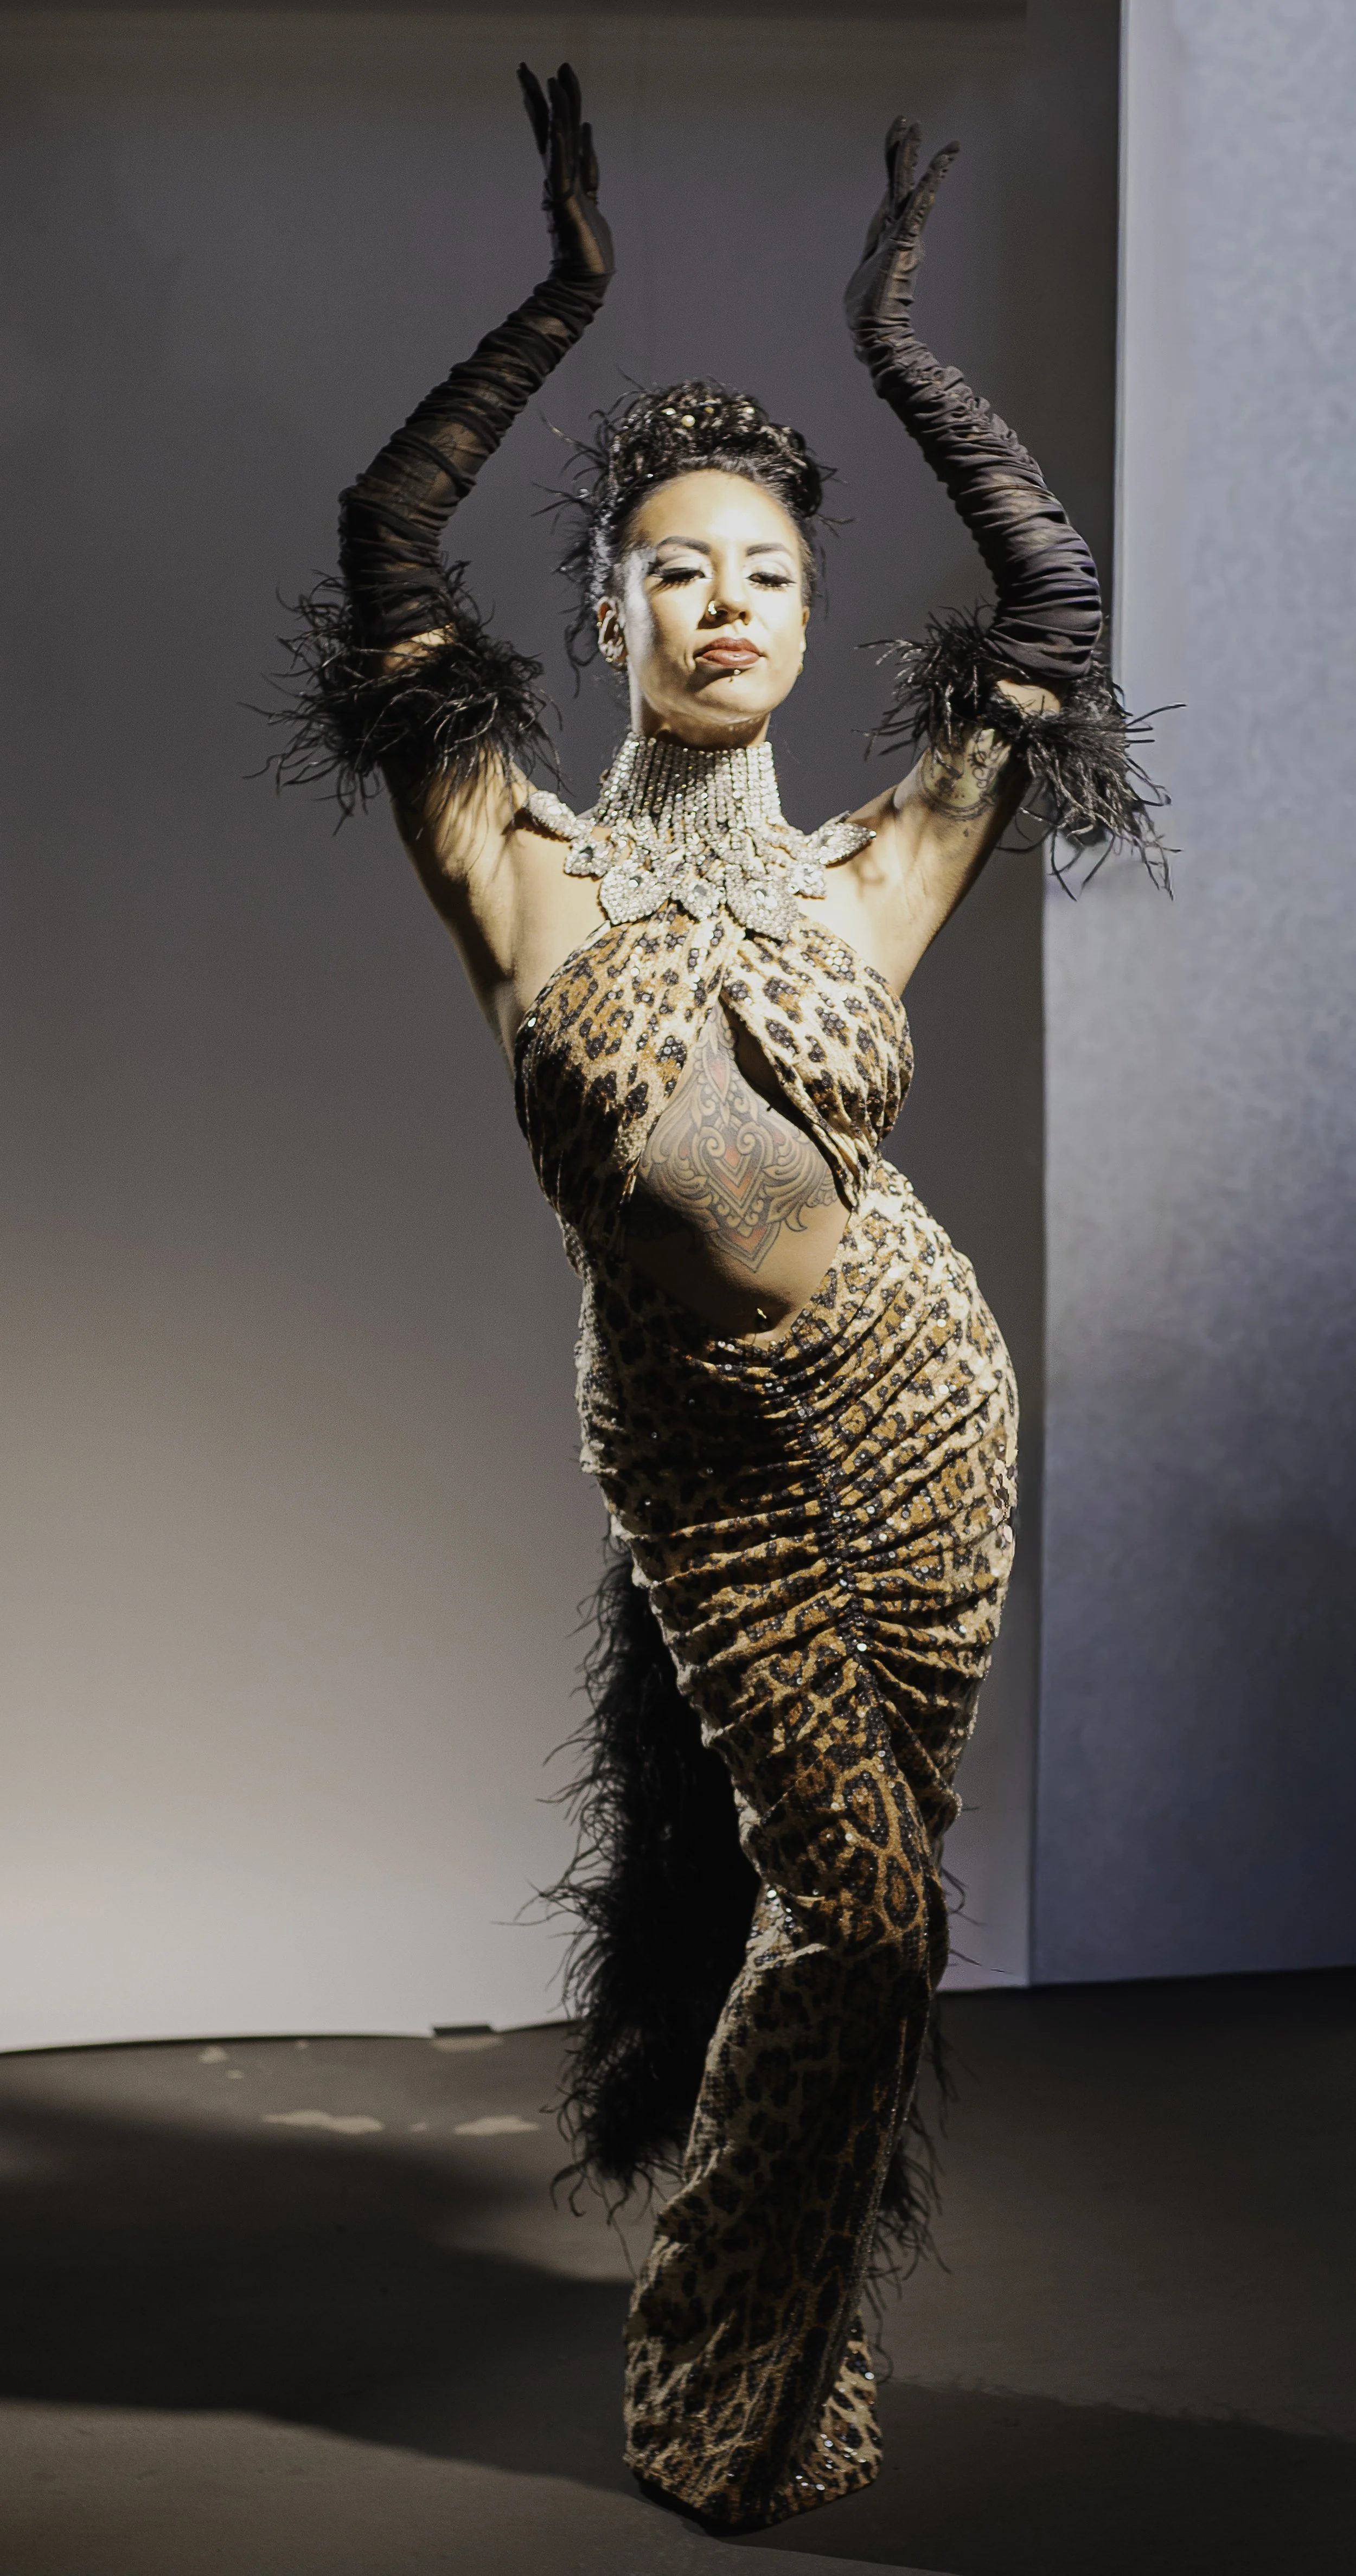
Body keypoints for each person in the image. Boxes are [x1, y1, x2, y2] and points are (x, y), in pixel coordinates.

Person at [277, 64, 1159, 2536]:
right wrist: (563, 292)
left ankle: (798, 2367)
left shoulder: (884, 859)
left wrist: (902, 346)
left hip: (921, 1396)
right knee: (858, 1903)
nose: (729, 598)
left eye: (765, 564)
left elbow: (1053, 612)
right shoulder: (512, 848)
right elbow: (378, 534)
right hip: (705, 1454)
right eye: (678, 564)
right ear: (609, 610)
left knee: (883, 1920)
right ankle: (714, 2377)